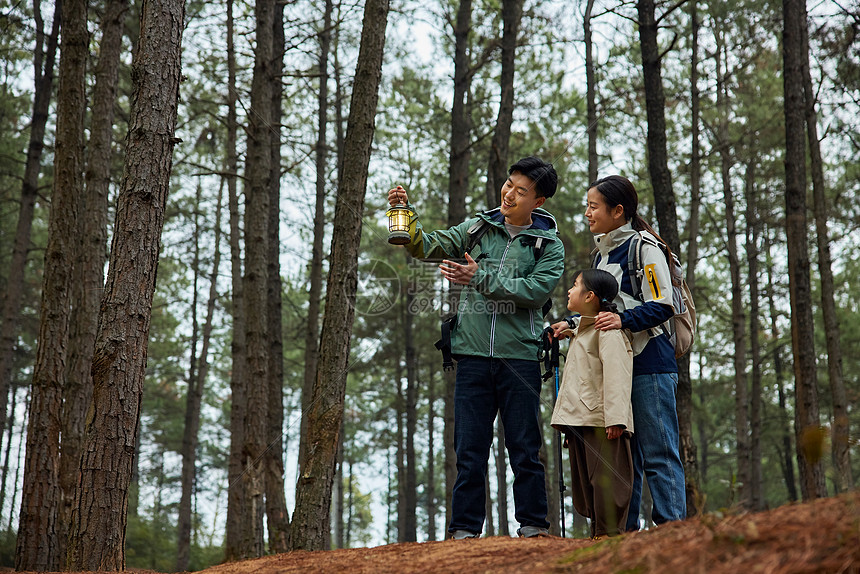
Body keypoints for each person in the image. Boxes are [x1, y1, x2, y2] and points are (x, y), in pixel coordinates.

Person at [387, 156, 564, 539]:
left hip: (520, 358)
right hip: (471, 358)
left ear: (539, 201)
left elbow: (534, 293)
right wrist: (405, 213)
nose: (509, 193)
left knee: (525, 449)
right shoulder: (477, 229)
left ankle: (533, 525)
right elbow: (427, 246)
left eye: (521, 190)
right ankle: (464, 530)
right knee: (469, 452)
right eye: (508, 183)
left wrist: (479, 277)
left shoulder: (548, 246)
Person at [551, 174, 686, 531]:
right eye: (587, 206)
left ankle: (672, 532)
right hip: (615, 370)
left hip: (650, 364)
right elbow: (600, 308)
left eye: (594, 206)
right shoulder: (602, 253)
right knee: (627, 456)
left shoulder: (645, 247)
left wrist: (622, 320)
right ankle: (627, 536)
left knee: (659, 452)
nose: (587, 213)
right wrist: (569, 323)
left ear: (618, 210)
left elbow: (663, 304)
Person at [551, 268, 634, 539]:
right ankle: (598, 539)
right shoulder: (581, 332)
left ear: (589, 296)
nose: (569, 290)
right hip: (582, 423)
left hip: (603, 422)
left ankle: (609, 540)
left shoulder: (607, 332)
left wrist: (617, 419)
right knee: (588, 486)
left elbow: (617, 377)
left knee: (606, 484)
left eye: (575, 285)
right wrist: (570, 424)